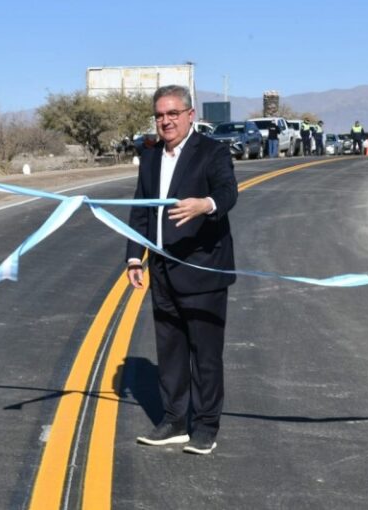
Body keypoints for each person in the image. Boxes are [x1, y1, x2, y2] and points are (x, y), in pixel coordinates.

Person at [126, 85, 238, 455]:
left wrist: (206, 204)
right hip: (162, 271)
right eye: (160, 115)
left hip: (203, 270)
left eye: (173, 113)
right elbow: (141, 209)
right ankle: (174, 420)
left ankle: (205, 426)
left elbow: (228, 192)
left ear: (190, 115)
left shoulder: (212, 152)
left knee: (205, 354)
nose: (166, 121)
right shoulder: (150, 156)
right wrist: (134, 257)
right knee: (170, 351)